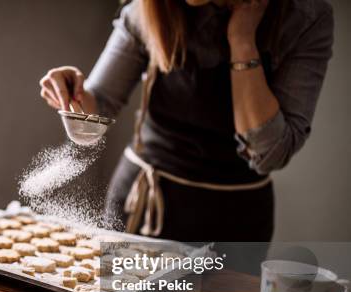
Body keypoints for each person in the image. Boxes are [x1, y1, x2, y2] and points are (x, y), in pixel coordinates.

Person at [38, 0, 333, 242]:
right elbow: (98, 108)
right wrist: (74, 97)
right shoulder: (149, 8)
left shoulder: (304, 17)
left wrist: (242, 40)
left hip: (236, 222)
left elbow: (270, 154)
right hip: (143, 206)